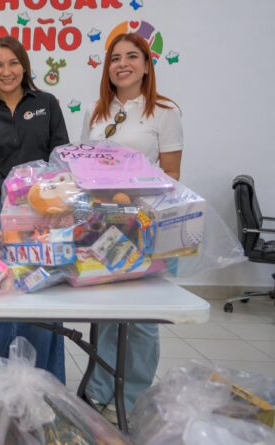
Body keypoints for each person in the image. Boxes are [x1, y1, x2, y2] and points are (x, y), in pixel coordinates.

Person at [81, 32, 183, 422]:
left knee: (142, 319)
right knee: (104, 315)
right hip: (102, 226)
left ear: (146, 64)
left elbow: (172, 174)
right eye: (115, 58)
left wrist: (131, 191)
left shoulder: (164, 111)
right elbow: (82, 164)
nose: (122, 64)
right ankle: (99, 391)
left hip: (145, 225)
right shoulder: (96, 110)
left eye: (131, 56)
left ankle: (134, 397)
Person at [0, 36, 69, 383]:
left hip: (44, 208)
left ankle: (45, 384)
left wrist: (37, 193)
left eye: (13, 63)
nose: (6, 71)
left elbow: (60, 153)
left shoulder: (47, 104)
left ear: (24, 67)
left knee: (41, 293)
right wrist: (10, 188)